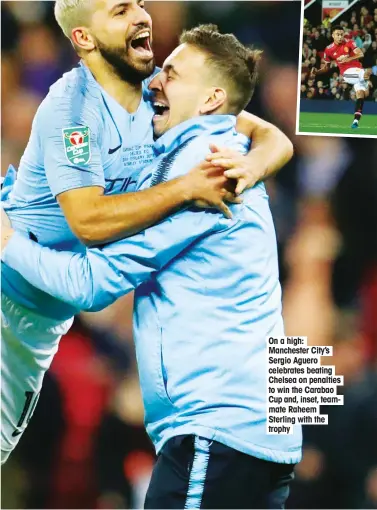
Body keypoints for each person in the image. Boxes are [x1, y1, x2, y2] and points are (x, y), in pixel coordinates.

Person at [2, 25, 301, 508]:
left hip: (218, 431)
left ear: (210, 99)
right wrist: (274, 143)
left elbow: (92, 283)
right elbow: (262, 129)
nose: (156, 81)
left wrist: (7, 240)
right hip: (245, 431)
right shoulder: (212, 142)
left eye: (173, 74)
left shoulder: (206, 172)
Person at [311, 25, 372, 129]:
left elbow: (360, 54)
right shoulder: (328, 50)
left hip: (358, 70)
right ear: (333, 35)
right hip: (347, 73)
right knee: (365, 75)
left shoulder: (349, 42)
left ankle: (356, 121)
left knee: (361, 94)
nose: (340, 36)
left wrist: (348, 59)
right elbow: (327, 68)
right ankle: (366, 76)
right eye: (337, 34)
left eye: (341, 34)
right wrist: (317, 72)